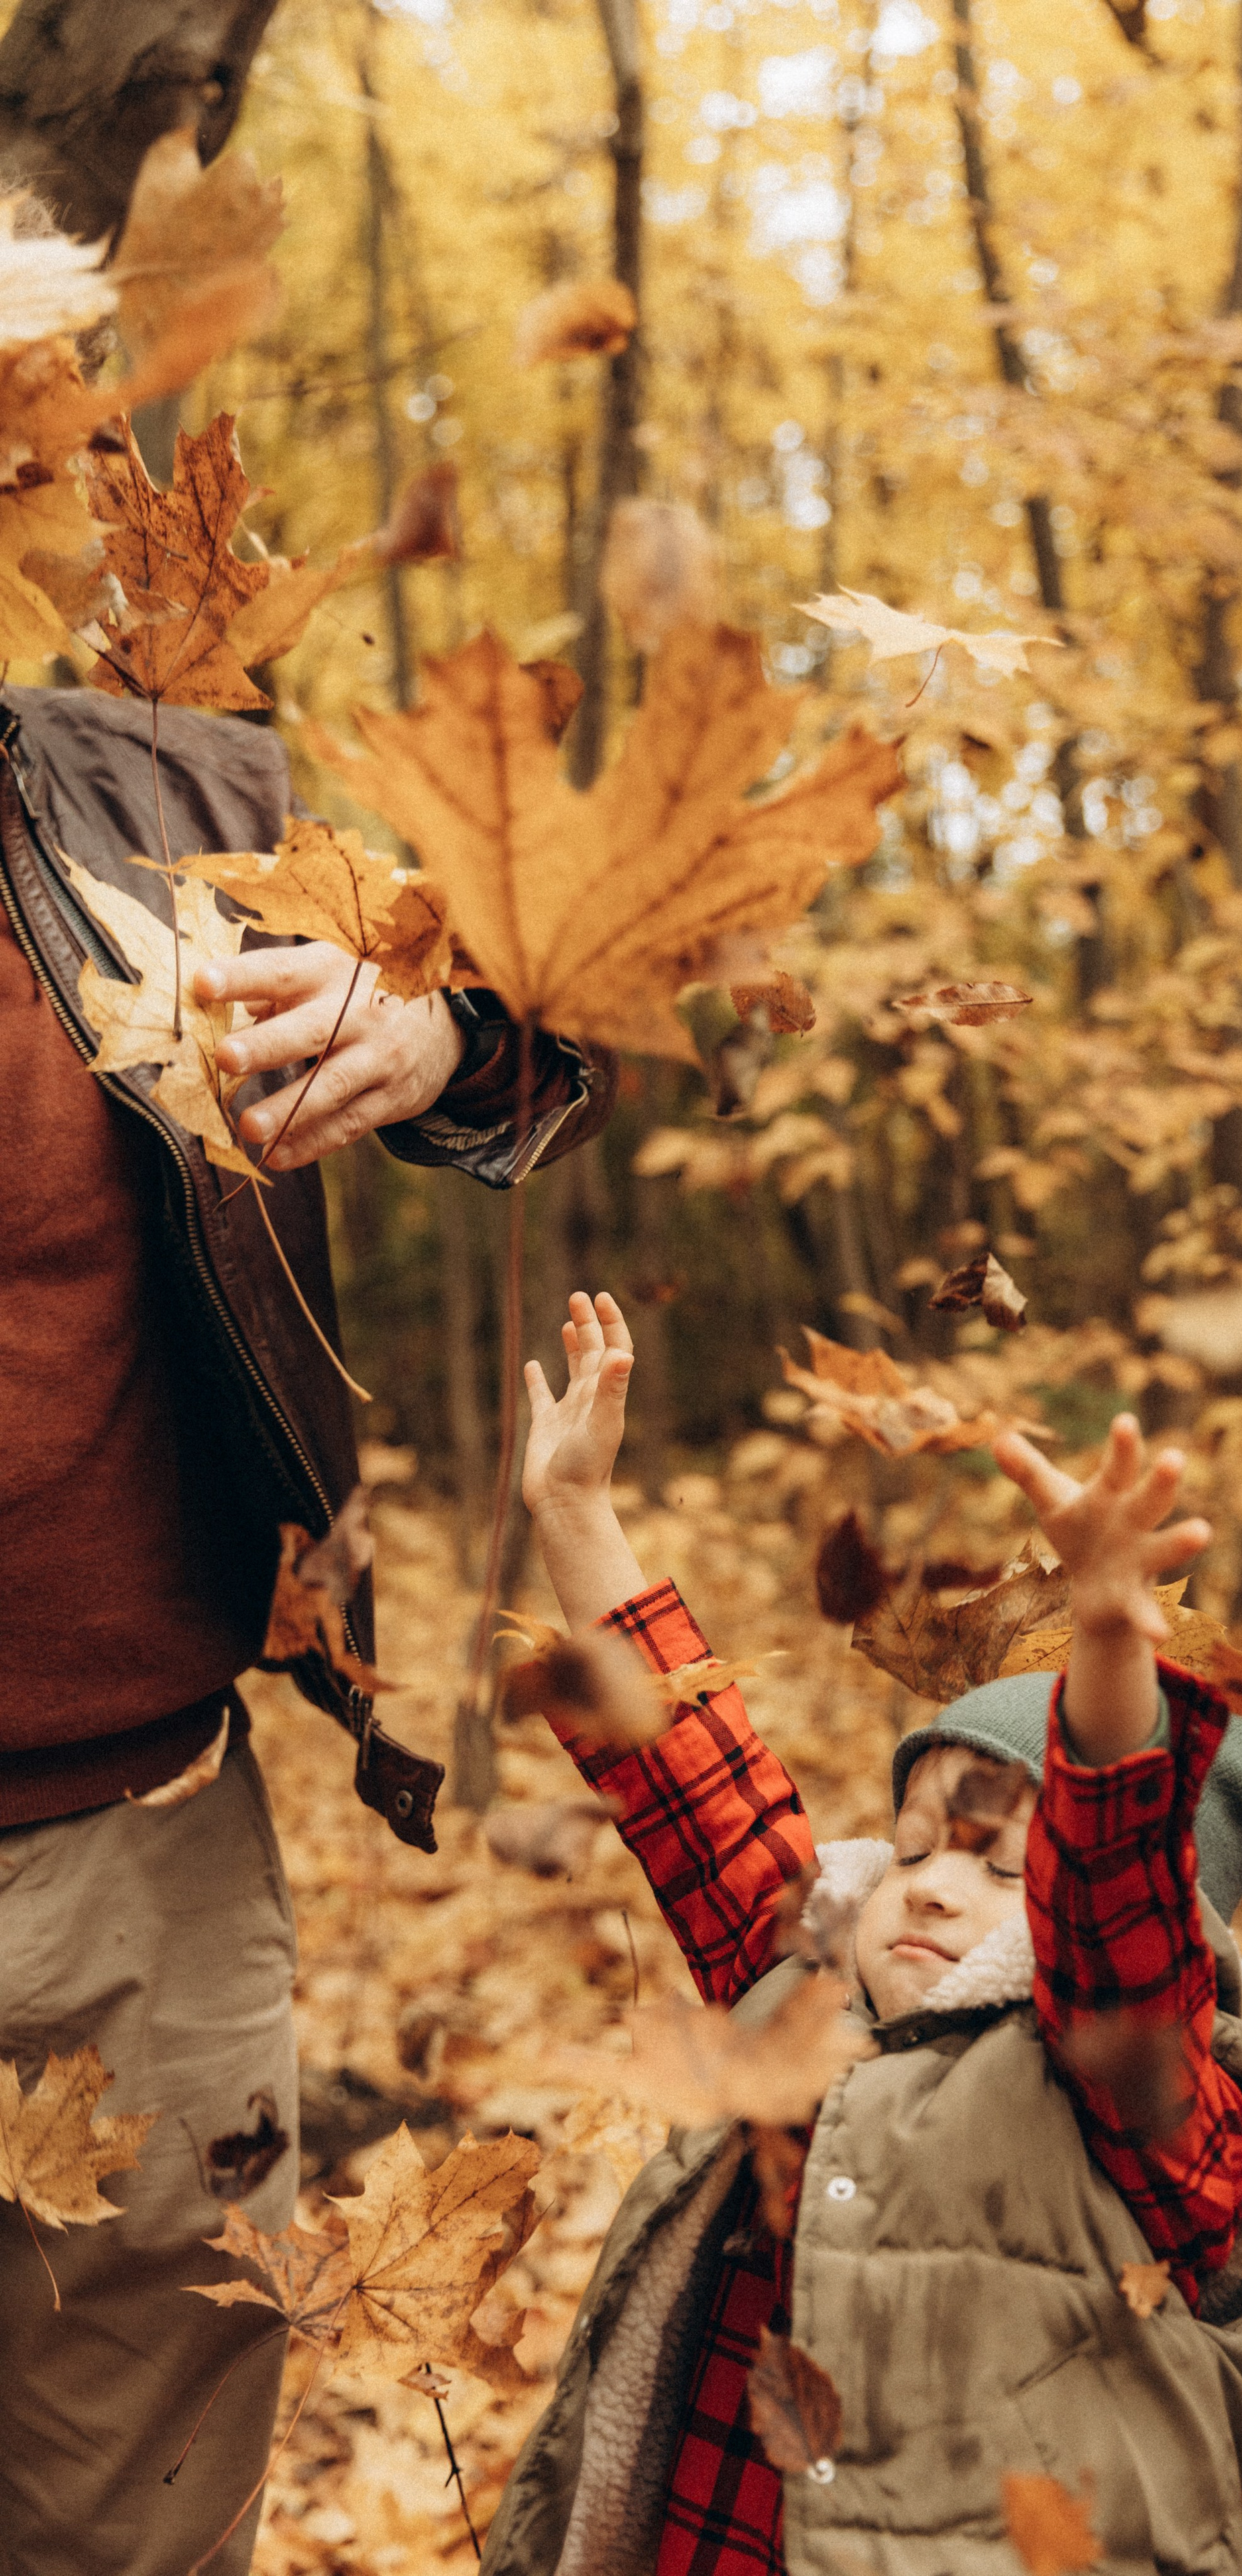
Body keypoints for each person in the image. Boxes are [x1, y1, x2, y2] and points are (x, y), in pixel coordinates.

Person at [0, 684, 614, 2576]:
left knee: (136, 2534)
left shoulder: (151, 797)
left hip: (140, 1864)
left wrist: (451, 1032)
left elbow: (576, 1001)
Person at [477, 1290, 1242, 2576]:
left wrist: (1111, 1651)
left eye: (1008, 1868)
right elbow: (686, 1770)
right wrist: (572, 1510)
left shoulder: (1145, 2091)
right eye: (922, 1845)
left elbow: (1116, 1906)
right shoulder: (812, 1991)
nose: (934, 1886)